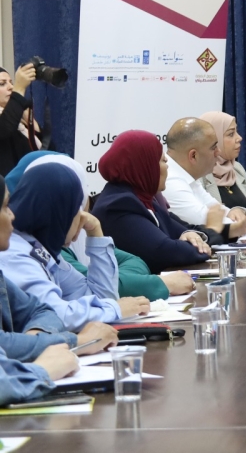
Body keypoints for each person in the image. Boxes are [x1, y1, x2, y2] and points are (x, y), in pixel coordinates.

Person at [5, 151, 194, 300]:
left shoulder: (47, 249)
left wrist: (96, 232)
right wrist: (120, 301)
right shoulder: (119, 203)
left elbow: (130, 266)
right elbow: (165, 250)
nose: (82, 212)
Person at [0, 172, 118, 404]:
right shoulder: (16, 251)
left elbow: (43, 311)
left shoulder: (45, 249)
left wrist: (39, 337)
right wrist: (50, 364)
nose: (12, 215)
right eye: (4, 207)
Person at [0, 163, 150, 331]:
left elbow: (101, 297)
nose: (81, 217)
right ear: (60, 212)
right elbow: (54, 315)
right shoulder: (14, 253)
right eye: (76, 209)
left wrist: (96, 232)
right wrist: (115, 309)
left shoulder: (36, 246)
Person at [92, 130, 218, 273]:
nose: (167, 166)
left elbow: (182, 230)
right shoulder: (119, 204)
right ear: (144, 166)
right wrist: (197, 247)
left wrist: (192, 236)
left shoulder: (145, 198)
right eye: (163, 161)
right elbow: (166, 252)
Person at [162, 118, 246, 237]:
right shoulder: (170, 180)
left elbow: (216, 209)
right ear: (193, 155)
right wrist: (244, 226)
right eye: (213, 147)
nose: (218, 152)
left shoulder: (187, 175)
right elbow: (207, 221)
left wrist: (237, 217)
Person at [198, 112, 246, 225]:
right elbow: (205, 217)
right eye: (231, 134)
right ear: (213, 139)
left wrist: (243, 212)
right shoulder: (199, 174)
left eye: (236, 132)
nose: (239, 138)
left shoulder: (236, 168)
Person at [0, 64, 40, 176]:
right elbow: (4, 129)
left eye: (12, 83)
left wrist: (31, 122)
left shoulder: (19, 121)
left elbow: (47, 149)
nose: (11, 87)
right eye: (2, 84)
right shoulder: (8, 121)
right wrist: (19, 90)